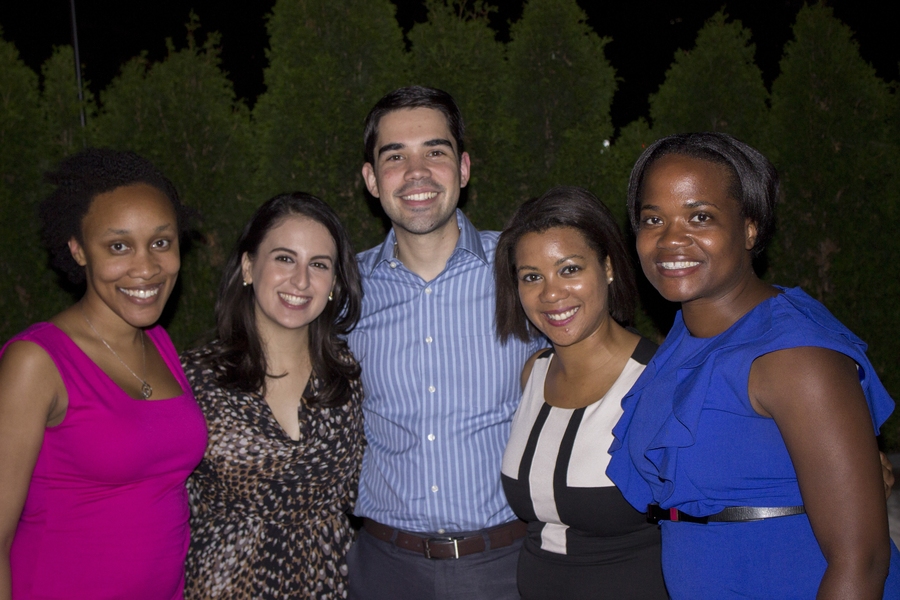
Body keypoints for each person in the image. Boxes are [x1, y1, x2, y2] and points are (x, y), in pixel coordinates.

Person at [607, 132, 900, 598]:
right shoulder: (688, 334)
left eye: (699, 216)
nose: (670, 239)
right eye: (652, 219)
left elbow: (861, 560)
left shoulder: (794, 358)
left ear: (750, 227)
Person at [345, 86, 542, 599]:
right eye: (395, 157)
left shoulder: (524, 272)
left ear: (464, 168)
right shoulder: (342, 292)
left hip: (508, 566)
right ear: (371, 179)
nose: (416, 172)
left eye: (435, 151)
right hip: (384, 569)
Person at [0, 148, 207, 599]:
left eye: (161, 242)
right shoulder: (36, 362)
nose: (147, 266)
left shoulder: (158, 343)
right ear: (78, 250)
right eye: (119, 246)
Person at [181, 192, 364, 599]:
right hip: (222, 586)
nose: (301, 280)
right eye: (284, 258)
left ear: (334, 283)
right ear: (248, 266)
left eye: (318, 265)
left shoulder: (351, 377)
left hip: (329, 586)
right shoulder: (192, 379)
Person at [494, 186, 668, 599]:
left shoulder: (658, 381)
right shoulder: (533, 374)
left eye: (569, 269)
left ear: (607, 267)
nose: (551, 293)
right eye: (531, 277)